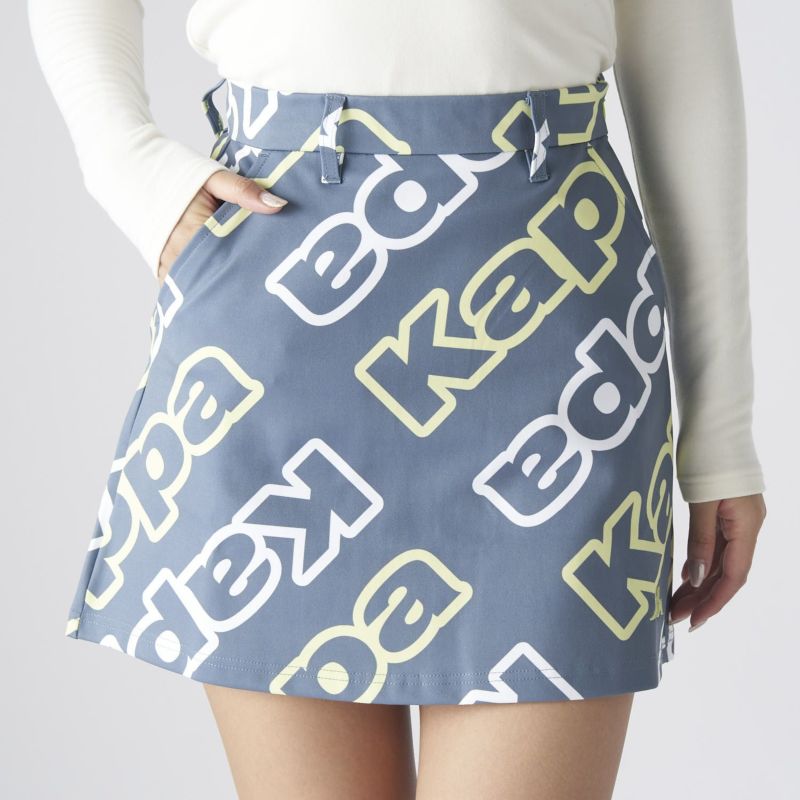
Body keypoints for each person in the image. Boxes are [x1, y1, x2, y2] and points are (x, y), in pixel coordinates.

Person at [28, 1, 768, 797]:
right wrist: (129, 166)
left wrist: (721, 434)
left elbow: (686, 71)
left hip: (552, 309)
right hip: (282, 296)